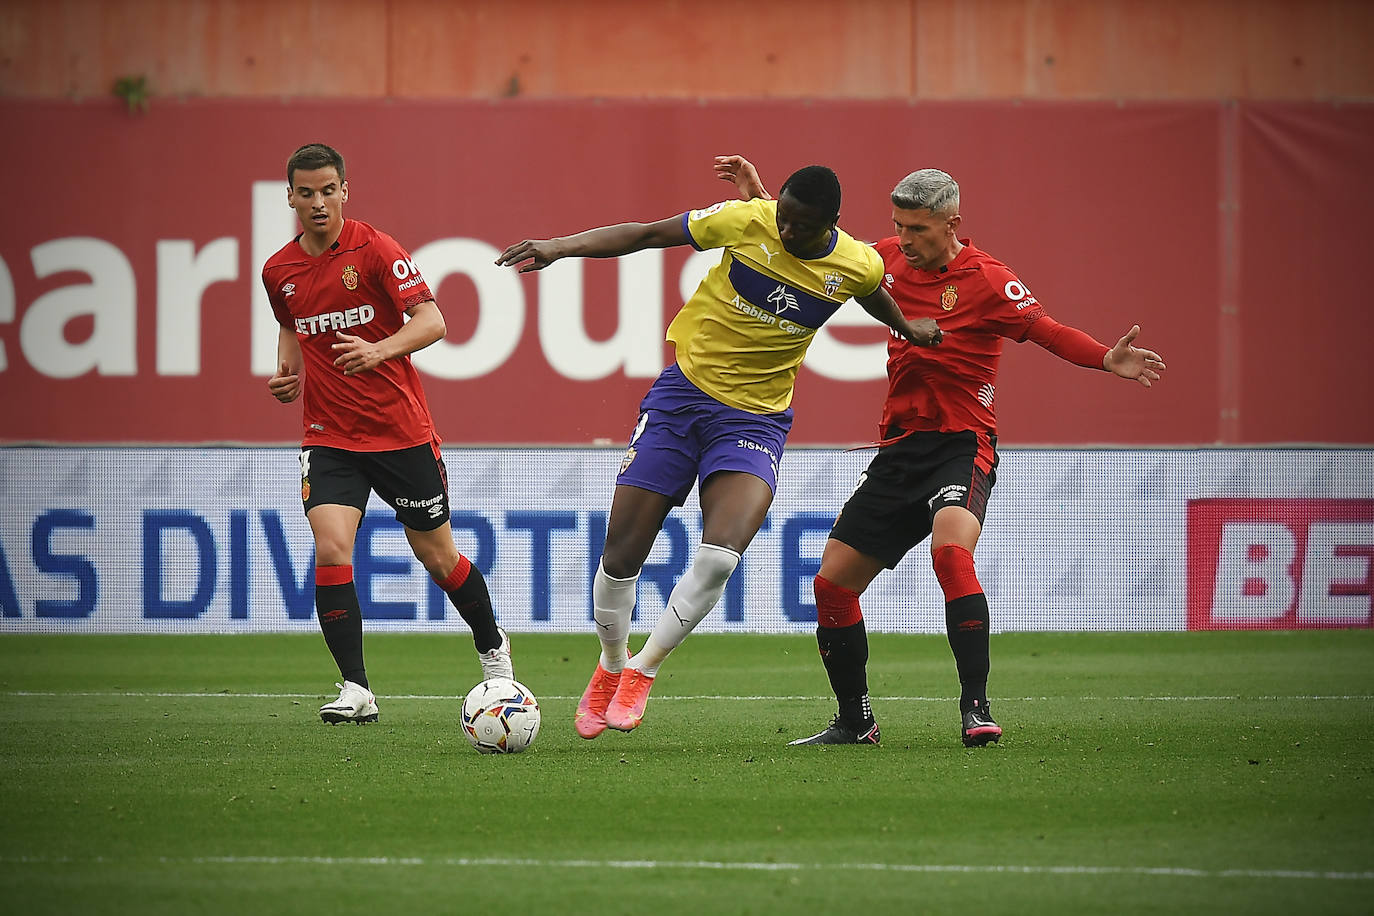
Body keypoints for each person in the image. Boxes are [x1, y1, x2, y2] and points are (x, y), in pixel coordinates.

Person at [716, 155, 1166, 747]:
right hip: (900, 449)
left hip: (962, 443)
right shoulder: (885, 259)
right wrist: (763, 203)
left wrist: (1105, 357)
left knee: (950, 552)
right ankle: (856, 722)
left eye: (918, 229)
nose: (904, 240)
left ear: (953, 223)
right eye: (898, 226)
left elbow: (1047, 330)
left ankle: (975, 709)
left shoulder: (987, 279)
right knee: (831, 586)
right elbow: (816, 245)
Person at [496, 164, 942, 738]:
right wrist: (560, 247)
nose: (784, 230)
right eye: (780, 214)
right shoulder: (748, 220)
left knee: (721, 552)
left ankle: (642, 670)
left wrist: (905, 326)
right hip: (682, 400)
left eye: (799, 225)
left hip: (756, 420)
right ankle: (609, 665)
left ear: (831, 224)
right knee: (621, 552)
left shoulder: (857, 263)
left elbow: (872, 292)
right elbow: (645, 234)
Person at [262, 142, 513, 724]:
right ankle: (356, 688)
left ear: (345, 190)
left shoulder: (376, 250)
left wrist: (378, 349)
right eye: (307, 192)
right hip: (328, 435)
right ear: (292, 197)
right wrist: (288, 374)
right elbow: (290, 327)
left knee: (436, 554)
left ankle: (494, 650)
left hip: (400, 432)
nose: (319, 202)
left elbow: (433, 321)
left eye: (329, 190)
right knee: (331, 546)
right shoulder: (279, 270)